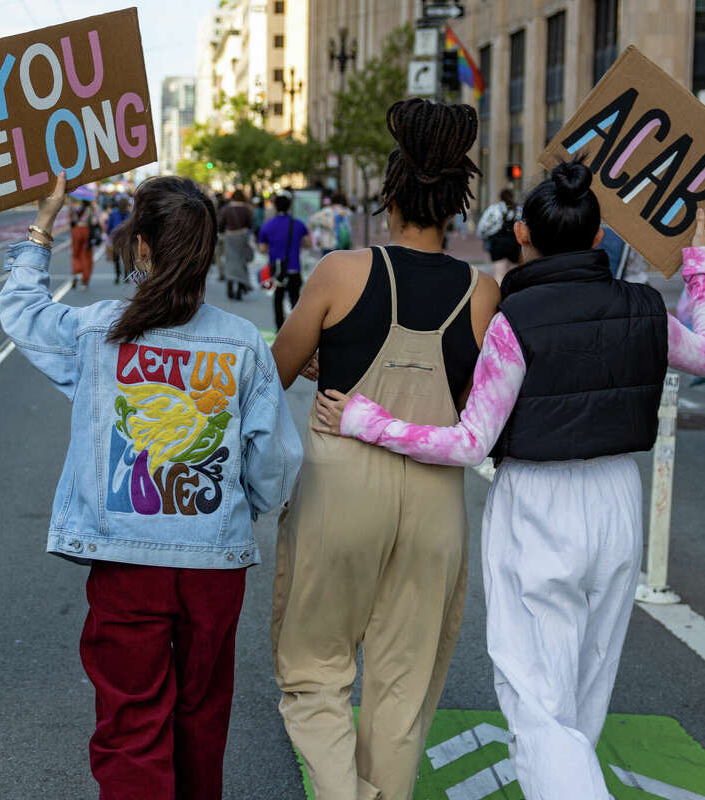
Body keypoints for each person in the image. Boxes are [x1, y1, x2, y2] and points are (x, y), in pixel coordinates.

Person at [313, 162, 705, 800]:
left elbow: (469, 442)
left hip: (537, 503)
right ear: (598, 240)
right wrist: (699, 261)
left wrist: (366, 418)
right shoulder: (645, 308)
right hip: (619, 497)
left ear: (522, 233)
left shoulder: (515, 321)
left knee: (536, 701)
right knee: (586, 687)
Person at [0, 173, 302, 800]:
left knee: (130, 721)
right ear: (210, 249)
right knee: (201, 714)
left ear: (140, 248)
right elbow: (273, 464)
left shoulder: (98, 332)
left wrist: (42, 225)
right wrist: (244, 503)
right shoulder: (243, 342)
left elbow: (23, 314)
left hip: (125, 559)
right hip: (214, 567)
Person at [267, 98, 498, 800]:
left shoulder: (341, 272)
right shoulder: (482, 292)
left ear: (389, 196)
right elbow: (482, 404)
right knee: (403, 685)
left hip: (342, 489)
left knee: (313, 669)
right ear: (456, 204)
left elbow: (271, 374)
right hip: (434, 502)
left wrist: (319, 358)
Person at [257, 194, 312, 330]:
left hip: (276, 269)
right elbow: (308, 244)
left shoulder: (267, 225)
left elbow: (262, 249)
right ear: (289, 207)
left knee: (277, 299)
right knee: (295, 299)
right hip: (294, 267)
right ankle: (295, 328)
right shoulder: (298, 224)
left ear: (275, 207)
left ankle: (279, 329)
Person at [219, 188, 255, 300]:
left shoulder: (226, 209)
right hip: (242, 238)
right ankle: (240, 288)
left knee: (230, 262)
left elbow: (221, 224)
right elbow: (250, 224)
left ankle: (229, 287)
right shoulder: (246, 209)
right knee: (241, 261)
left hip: (229, 237)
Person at [478, 188, 521, 283]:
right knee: (515, 273)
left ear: (500, 197)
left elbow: (482, 228)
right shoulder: (518, 210)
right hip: (515, 244)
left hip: (498, 245)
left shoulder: (493, 209)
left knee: (499, 274)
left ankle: (502, 295)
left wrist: (485, 237)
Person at [70, 198, 98, 290]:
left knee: (75, 254)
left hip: (77, 230)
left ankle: (77, 272)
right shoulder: (90, 209)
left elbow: (72, 222)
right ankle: (84, 281)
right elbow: (94, 222)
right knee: (86, 256)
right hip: (87, 231)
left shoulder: (75, 208)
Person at [106, 195, 131, 283]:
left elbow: (108, 226)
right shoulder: (130, 214)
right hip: (126, 239)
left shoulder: (113, 213)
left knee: (116, 258)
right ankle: (126, 276)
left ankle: (117, 276)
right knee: (126, 257)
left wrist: (108, 234)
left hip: (116, 238)